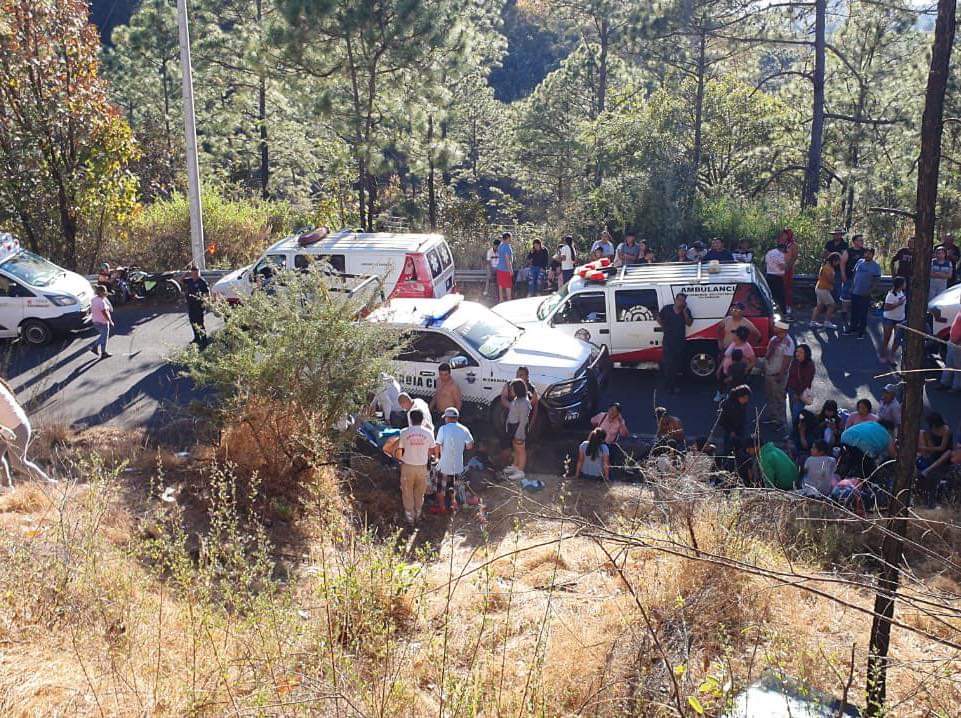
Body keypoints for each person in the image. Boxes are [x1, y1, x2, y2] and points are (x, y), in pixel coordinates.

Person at [383, 409, 436, 525]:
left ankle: (410, 518)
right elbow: (432, 450)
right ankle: (418, 514)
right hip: (422, 467)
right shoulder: (429, 433)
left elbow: (400, 449)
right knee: (420, 492)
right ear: (422, 420)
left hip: (407, 467)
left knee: (407, 492)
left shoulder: (404, 432)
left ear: (410, 420)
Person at [0, 378, 50, 486]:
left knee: (18, 463)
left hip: (17, 428)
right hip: (7, 428)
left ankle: (49, 483)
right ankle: (6, 486)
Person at [432, 407, 474, 514]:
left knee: (440, 489)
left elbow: (437, 444)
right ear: (456, 418)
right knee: (455, 488)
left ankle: (442, 508)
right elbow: (470, 445)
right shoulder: (464, 429)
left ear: (447, 418)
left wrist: (437, 458)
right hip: (458, 466)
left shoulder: (443, 429)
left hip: (444, 466)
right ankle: (454, 507)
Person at [762, 320, 795, 428]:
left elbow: (787, 361)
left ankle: (781, 421)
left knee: (779, 398)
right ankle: (773, 417)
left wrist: (781, 375)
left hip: (777, 375)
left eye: (776, 327)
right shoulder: (774, 339)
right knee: (770, 396)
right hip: (769, 372)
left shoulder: (788, 343)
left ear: (783, 329)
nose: (774, 328)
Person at [657, 293, 693, 392]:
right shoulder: (667, 309)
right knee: (667, 364)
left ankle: (673, 385)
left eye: (682, 300)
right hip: (668, 341)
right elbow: (659, 318)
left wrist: (685, 311)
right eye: (679, 299)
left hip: (679, 342)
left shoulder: (685, 311)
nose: (680, 302)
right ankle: (668, 386)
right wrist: (664, 327)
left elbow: (689, 323)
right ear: (675, 299)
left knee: (676, 365)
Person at [918, 412, 953, 507]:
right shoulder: (931, 429)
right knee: (921, 432)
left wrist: (925, 448)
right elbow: (929, 439)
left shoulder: (946, 430)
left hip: (943, 453)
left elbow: (942, 447)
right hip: (932, 450)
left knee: (947, 453)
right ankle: (923, 459)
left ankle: (927, 470)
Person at [846, 246, 881, 339]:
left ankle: (862, 331)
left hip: (865, 293)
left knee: (863, 313)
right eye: (866, 253)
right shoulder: (859, 262)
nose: (867, 255)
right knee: (854, 311)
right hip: (855, 291)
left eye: (869, 253)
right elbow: (854, 274)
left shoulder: (875, 266)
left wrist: (870, 291)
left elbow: (876, 281)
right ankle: (852, 328)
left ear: (873, 255)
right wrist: (852, 287)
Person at [503, 379, 533, 480]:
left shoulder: (524, 403)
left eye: (512, 389)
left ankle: (520, 470)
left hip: (519, 430)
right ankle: (515, 466)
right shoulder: (517, 399)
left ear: (518, 390)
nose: (510, 391)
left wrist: (519, 434)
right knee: (515, 448)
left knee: (521, 450)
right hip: (513, 427)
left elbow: (523, 420)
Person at [717, 385, 752, 456]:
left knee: (741, 447)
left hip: (740, 427)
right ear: (739, 397)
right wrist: (731, 431)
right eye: (745, 398)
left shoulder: (742, 403)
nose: (747, 400)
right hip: (730, 429)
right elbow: (722, 420)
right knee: (728, 448)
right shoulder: (728, 405)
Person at [880, 276, 907, 364]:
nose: (905, 285)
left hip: (900, 319)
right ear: (900, 285)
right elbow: (886, 307)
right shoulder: (891, 294)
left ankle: (892, 356)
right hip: (889, 318)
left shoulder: (902, 293)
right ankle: (883, 355)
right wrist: (898, 303)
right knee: (886, 338)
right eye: (904, 283)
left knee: (897, 338)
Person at [786, 343, 815, 423]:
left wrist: (798, 394)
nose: (797, 353)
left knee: (797, 415)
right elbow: (790, 375)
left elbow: (806, 382)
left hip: (800, 393)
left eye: (801, 352)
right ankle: (795, 431)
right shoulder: (795, 361)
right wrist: (786, 388)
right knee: (793, 412)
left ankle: (797, 433)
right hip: (791, 390)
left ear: (806, 354)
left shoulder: (809, 365)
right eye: (797, 351)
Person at [811, 253, 841, 329]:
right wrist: (835, 284)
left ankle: (813, 322)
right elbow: (830, 279)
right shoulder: (827, 268)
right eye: (837, 261)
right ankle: (827, 322)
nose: (838, 263)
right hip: (823, 289)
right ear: (833, 260)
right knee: (832, 305)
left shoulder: (827, 266)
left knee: (819, 306)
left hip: (820, 288)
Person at [840, 234, 867, 319]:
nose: (862, 242)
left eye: (862, 240)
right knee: (846, 295)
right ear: (854, 242)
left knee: (859, 297)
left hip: (861, 279)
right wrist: (843, 275)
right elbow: (842, 263)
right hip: (849, 277)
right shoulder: (848, 251)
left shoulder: (865, 251)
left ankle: (857, 314)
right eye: (860, 240)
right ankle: (844, 312)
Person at [183, 265, 209, 347]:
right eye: (193, 274)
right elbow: (181, 280)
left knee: (200, 323)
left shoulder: (202, 282)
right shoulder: (189, 280)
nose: (195, 275)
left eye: (196, 273)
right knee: (193, 322)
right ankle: (196, 338)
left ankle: (204, 340)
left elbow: (207, 293)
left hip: (199, 306)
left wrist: (206, 302)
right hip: (191, 305)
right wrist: (186, 273)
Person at [938, 306, 961, 392]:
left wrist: (958, 342)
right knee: (949, 364)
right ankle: (944, 383)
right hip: (952, 341)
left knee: (958, 367)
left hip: (957, 344)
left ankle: (956, 387)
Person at [824, 228, 849, 305]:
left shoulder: (844, 244)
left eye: (838, 234)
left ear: (841, 235)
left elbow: (843, 256)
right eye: (835, 234)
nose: (837, 236)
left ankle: (838, 304)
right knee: (828, 286)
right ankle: (828, 304)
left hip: (838, 269)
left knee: (838, 287)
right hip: (829, 267)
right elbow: (825, 253)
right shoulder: (829, 243)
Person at [89, 284, 114, 359]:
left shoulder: (94, 299)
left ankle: (102, 351)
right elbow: (104, 312)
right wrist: (110, 321)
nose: (106, 293)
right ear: (102, 293)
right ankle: (97, 349)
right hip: (103, 322)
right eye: (105, 292)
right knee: (104, 337)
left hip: (95, 321)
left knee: (103, 336)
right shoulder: (101, 302)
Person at [764, 237, 788, 310]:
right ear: (783, 249)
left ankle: (769, 310)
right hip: (777, 277)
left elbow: (765, 263)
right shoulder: (780, 254)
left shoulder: (769, 252)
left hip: (768, 276)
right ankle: (783, 311)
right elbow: (782, 266)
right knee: (781, 296)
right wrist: (787, 266)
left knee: (770, 295)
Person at [779, 228, 799, 317]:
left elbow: (794, 257)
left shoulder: (793, 245)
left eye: (785, 234)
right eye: (783, 234)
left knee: (787, 287)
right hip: (779, 268)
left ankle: (788, 305)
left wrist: (788, 267)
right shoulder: (781, 243)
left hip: (788, 269)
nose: (783, 236)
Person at [496, 231, 514, 302]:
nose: (510, 240)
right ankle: (509, 301)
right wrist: (511, 270)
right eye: (510, 238)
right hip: (505, 270)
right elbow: (507, 260)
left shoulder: (500, 246)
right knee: (508, 286)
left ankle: (501, 300)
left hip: (499, 269)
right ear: (506, 239)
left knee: (500, 285)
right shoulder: (506, 247)